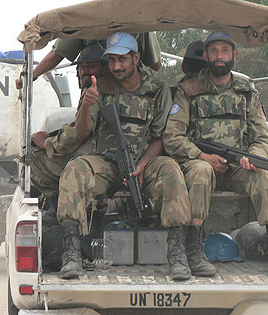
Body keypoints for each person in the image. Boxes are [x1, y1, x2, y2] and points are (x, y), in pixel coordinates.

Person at [56, 32, 199, 281]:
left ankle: (177, 253)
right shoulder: (100, 86)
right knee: (74, 170)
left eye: (122, 60)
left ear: (136, 57)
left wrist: (142, 166)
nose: (116, 66)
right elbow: (82, 132)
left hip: (147, 162)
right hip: (106, 162)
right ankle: (72, 253)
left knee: (172, 171)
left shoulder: (158, 90)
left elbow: (161, 137)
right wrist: (88, 103)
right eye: (111, 60)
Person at [162, 30, 268, 277]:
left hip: (238, 168)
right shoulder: (188, 91)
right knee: (200, 171)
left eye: (224, 50)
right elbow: (172, 136)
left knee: (264, 176)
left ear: (234, 55)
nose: (219, 56)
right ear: (207, 55)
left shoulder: (247, 93)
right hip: (200, 165)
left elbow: (262, 137)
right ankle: (194, 250)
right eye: (214, 51)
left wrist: (252, 157)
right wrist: (201, 156)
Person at [31, 45, 109, 214]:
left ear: (105, 67)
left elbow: (79, 133)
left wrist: (47, 143)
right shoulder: (93, 88)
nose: (85, 71)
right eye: (82, 66)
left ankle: (59, 205)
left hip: (96, 160)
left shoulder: (97, 91)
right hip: (96, 157)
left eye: (91, 66)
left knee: (34, 159)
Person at [15, 32, 162, 89]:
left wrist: (31, 76)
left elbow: (57, 55)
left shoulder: (85, 21)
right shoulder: (140, 24)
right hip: (125, 92)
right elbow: (156, 65)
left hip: (95, 92)